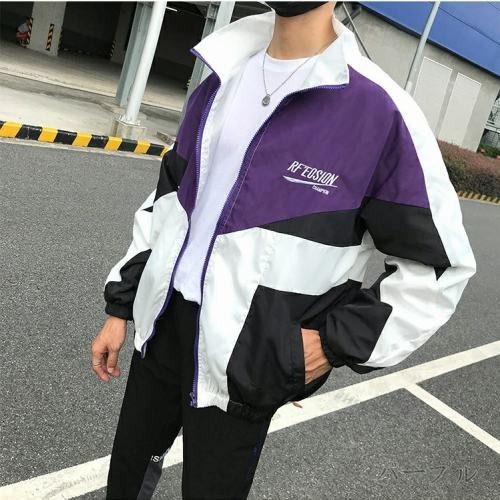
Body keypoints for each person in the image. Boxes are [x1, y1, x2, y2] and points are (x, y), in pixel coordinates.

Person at [91, 2, 477, 499]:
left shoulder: (380, 113)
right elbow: (168, 200)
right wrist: (121, 306)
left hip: (249, 356)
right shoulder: (221, 76)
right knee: (125, 479)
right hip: (162, 324)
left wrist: (328, 344)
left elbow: (440, 268)